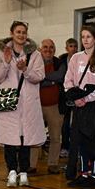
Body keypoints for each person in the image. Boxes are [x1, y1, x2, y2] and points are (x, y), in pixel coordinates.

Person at [0, 21, 46, 187]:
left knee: (25, 138)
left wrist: (25, 70)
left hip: (28, 102)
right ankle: (11, 171)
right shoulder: (1, 53)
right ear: (12, 33)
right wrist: (7, 63)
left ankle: (23, 171)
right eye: (18, 32)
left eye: (24, 32)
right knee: (9, 137)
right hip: (7, 99)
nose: (21, 35)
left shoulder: (35, 54)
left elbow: (39, 76)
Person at [64, 26, 95, 189]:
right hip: (78, 104)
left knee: (94, 140)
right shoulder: (75, 58)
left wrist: (87, 98)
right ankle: (83, 173)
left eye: (89, 36)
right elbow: (68, 80)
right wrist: (75, 98)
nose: (85, 40)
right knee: (80, 140)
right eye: (83, 37)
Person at [29, 39, 66, 174]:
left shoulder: (59, 62)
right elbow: (32, 80)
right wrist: (50, 81)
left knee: (56, 137)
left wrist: (42, 78)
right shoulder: (33, 62)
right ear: (40, 49)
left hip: (55, 106)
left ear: (54, 49)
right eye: (45, 47)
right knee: (34, 137)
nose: (48, 50)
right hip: (36, 105)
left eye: (51, 47)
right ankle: (31, 165)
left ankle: (53, 164)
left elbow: (60, 76)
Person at [59, 37, 79, 159]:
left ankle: (76, 148)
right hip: (64, 96)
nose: (73, 48)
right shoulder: (61, 60)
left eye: (75, 46)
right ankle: (65, 147)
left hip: (77, 94)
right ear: (66, 48)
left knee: (77, 123)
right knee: (65, 123)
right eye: (71, 46)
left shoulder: (82, 59)